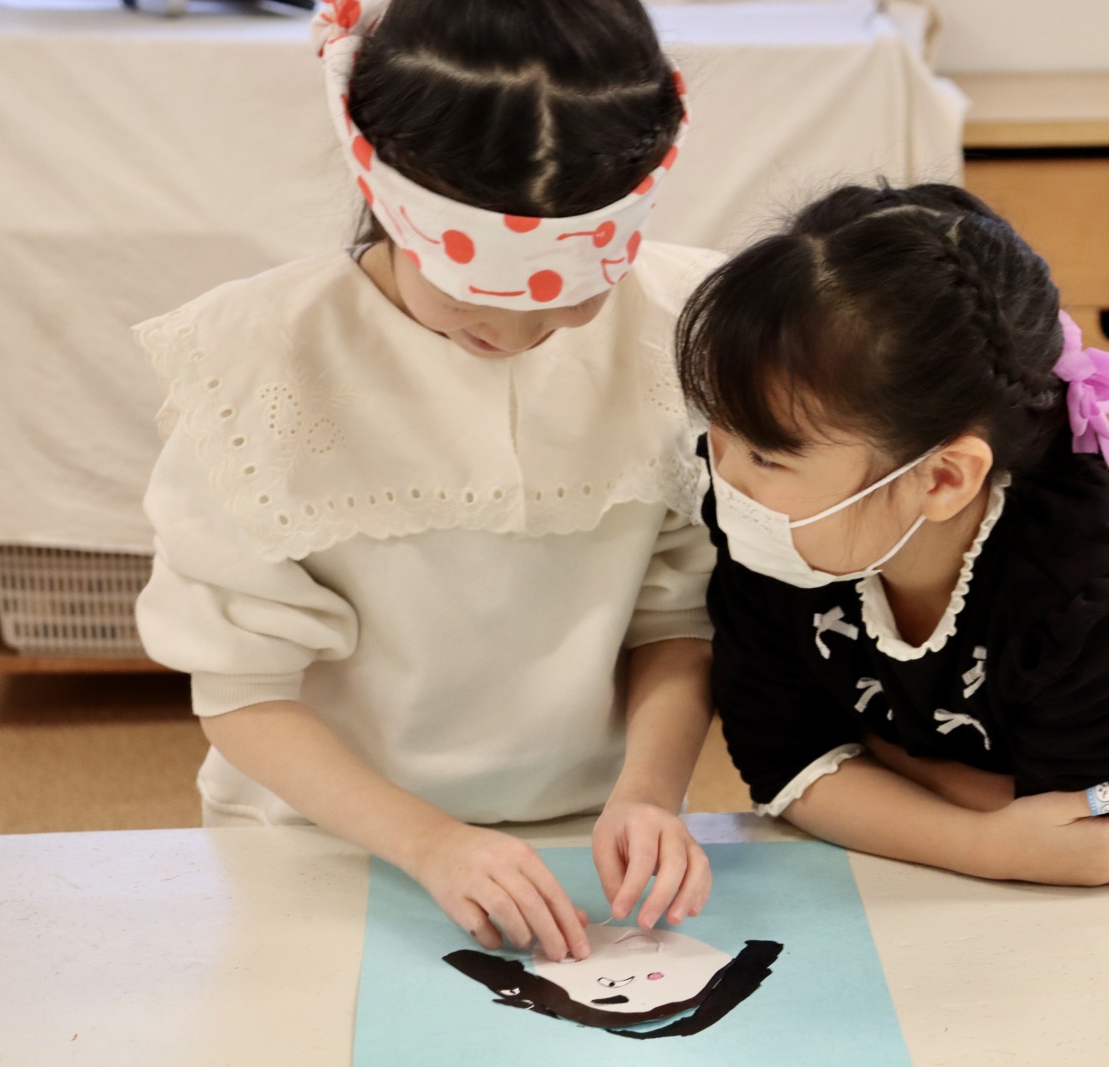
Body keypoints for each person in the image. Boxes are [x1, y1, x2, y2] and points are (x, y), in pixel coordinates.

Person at [133, 0, 721, 963]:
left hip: (585, 838)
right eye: (471, 296)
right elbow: (243, 688)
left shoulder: (676, 331)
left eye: (569, 303)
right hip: (324, 841)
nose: (517, 334)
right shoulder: (258, 365)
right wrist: (431, 843)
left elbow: (677, 618)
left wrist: (650, 793)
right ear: (388, 201)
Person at [676, 183, 1109, 887]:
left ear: (943, 478)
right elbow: (777, 762)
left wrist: (862, 758)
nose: (723, 475)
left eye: (765, 455)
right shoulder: (778, 528)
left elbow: (1096, 832)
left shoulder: (1095, 603)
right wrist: (983, 841)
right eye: (717, 428)